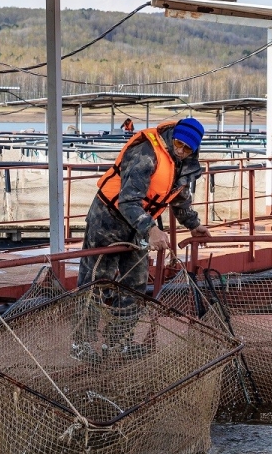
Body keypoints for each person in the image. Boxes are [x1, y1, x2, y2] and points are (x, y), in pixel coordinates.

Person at [74, 117, 210, 355]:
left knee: (135, 284)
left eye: (188, 148)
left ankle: (116, 342)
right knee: (96, 280)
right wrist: (151, 229)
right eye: (179, 144)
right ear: (173, 136)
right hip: (109, 218)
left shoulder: (184, 162)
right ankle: (82, 344)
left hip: (139, 224)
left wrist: (193, 224)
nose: (181, 150)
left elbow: (179, 197)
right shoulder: (146, 152)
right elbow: (128, 200)